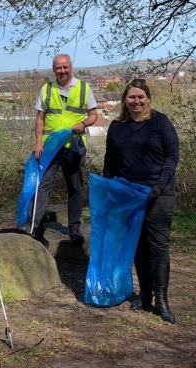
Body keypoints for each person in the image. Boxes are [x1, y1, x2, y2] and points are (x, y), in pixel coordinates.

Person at [102, 78, 179, 323]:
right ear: (125, 100)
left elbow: (171, 157)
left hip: (159, 192)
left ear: (148, 99)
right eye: (131, 97)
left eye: (141, 97)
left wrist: (158, 186)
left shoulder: (160, 122)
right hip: (129, 194)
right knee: (137, 245)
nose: (136, 101)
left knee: (158, 246)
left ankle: (162, 299)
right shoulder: (116, 126)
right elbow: (110, 161)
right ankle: (145, 293)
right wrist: (109, 189)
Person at [30, 54, 98, 244]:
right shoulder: (46, 89)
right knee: (41, 186)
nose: (62, 71)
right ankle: (34, 228)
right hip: (49, 147)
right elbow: (40, 119)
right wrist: (37, 141)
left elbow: (94, 115)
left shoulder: (84, 89)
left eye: (65, 67)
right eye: (58, 68)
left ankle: (74, 228)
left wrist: (83, 123)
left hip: (73, 145)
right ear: (54, 70)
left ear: (71, 67)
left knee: (75, 187)